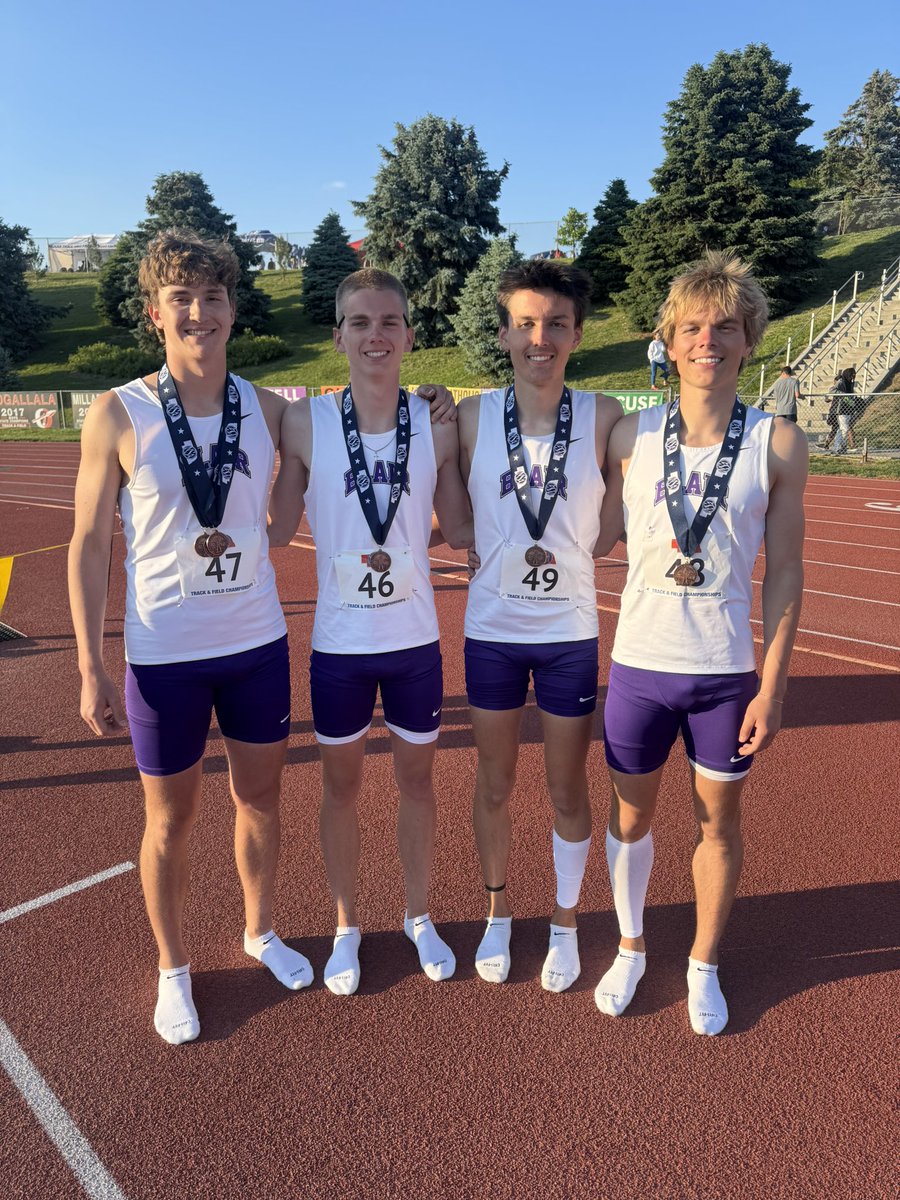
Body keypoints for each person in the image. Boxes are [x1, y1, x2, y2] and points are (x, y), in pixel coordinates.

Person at [68, 230, 315, 1045]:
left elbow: (354, 436)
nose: (199, 313)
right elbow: (89, 544)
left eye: (213, 299)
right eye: (182, 300)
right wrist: (89, 665)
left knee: (261, 802)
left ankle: (260, 930)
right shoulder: (118, 411)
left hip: (255, 646)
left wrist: (433, 405)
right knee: (169, 821)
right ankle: (174, 969)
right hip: (163, 654)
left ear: (233, 311)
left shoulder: (268, 407)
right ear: (155, 313)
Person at [593, 251, 808, 1034]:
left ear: (749, 340)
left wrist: (775, 683)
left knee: (718, 823)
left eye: (724, 326)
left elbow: (786, 573)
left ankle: (703, 964)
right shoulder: (627, 436)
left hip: (724, 676)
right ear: (669, 343)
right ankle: (630, 944)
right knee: (630, 820)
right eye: (691, 327)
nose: (707, 340)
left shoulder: (777, 444)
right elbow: (575, 519)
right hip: (639, 669)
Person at [267, 269, 473, 996]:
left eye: (389, 321)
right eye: (360, 322)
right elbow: (274, 527)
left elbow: (462, 526)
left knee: (417, 783)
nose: (376, 334)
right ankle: (346, 926)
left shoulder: (436, 421)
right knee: (341, 788)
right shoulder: (305, 423)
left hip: (415, 644)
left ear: (410, 336)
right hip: (339, 649)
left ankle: (420, 916)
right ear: (338, 337)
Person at [456, 260, 622, 991]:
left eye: (555, 324)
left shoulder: (607, 415)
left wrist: (590, 546)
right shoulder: (464, 416)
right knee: (493, 782)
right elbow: (447, 508)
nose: (539, 337)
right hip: (492, 630)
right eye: (525, 323)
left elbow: (616, 522)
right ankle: (497, 912)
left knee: (565, 789)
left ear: (577, 334)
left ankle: (563, 918)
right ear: (503, 332)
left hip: (568, 638)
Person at [832, 366, 857, 454]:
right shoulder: (841, 381)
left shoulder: (851, 383)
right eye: (851, 376)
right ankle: (837, 447)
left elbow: (851, 392)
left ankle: (841, 446)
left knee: (843, 428)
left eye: (854, 376)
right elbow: (832, 390)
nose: (852, 378)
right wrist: (844, 395)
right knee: (844, 428)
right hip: (841, 408)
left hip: (849, 408)